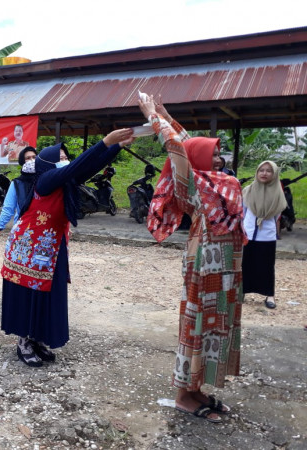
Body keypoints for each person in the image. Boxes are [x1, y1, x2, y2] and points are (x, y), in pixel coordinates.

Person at [139, 95, 245, 424]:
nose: (217, 158)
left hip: (229, 267)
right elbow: (178, 148)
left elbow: (187, 143)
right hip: (203, 265)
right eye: (211, 154)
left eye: (218, 153)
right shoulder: (192, 184)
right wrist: (155, 118)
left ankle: (197, 388)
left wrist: (169, 113)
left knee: (216, 328)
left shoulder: (223, 180)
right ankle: (183, 395)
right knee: (196, 327)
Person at [0, 128, 134, 367]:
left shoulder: (65, 180)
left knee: (49, 293)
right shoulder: (46, 180)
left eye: (66, 156)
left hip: (51, 245)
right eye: (60, 157)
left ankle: (38, 338)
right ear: (50, 162)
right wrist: (104, 141)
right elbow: (76, 166)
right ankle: (23, 342)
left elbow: (87, 168)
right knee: (29, 293)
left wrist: (116, 147)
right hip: (29, 247)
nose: (65, 160)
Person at [242, 161, 287, 310]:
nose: (264, 173)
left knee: (267, 266)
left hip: (266, 235)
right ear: (257, 172)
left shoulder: (277, 194)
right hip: (248, 233)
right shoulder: (247, 190)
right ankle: (242, 291)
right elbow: (243, 212)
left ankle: (269, 295)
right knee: (245, 264)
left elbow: (276, 216)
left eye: (269, 171)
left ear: (274, 174)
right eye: (261, 170)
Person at [0, 146, 37, 245]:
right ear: (22, 162)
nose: (32, 160)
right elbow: (8, 208)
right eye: (28, 158)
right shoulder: (17, 183)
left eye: (34, 157)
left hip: (42, 227)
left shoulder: (45, 180)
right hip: (23, 228)